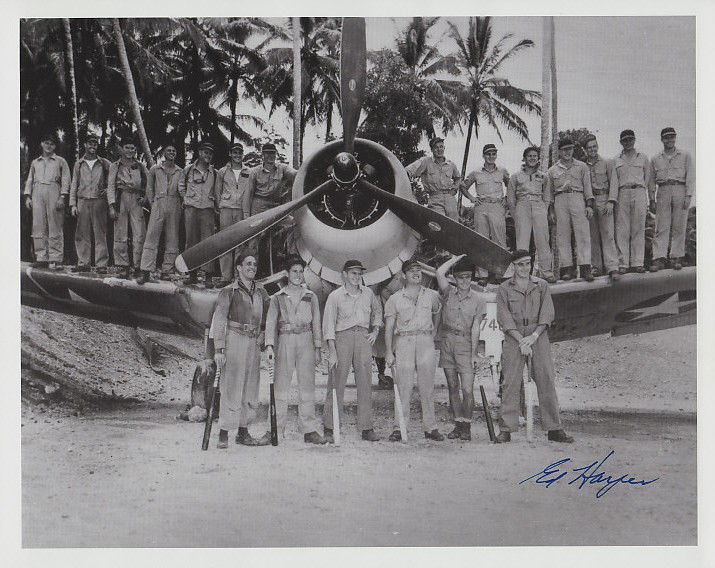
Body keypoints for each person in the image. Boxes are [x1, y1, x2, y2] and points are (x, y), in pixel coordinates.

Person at [494, 250, 573, 444]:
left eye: (527, 264)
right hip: (514, 336)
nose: (524, 268)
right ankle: (506, 428)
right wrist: (521, 339)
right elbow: (504, 317)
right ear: (513, 266)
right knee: (510, 382)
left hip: (538, 336)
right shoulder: (504, 288)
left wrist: (534, 336)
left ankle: (554, 428)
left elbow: (547, 313)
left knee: (546, 378)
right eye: (520, 264)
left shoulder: (541, 285)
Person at [264, 255, 325, 444]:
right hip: (286, 339)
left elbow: (316, 322)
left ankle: (309, 429)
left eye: (300, 271)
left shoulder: (311, 296)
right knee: (281, 386)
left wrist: (317, 347)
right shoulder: (278, 297)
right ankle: (274, 428)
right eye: (294, 271)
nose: (298, 275)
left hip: (306, 339)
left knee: (307, 386)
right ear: (287, 274)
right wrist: (269, 346)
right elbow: (270, 322)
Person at [212, 254, 270, 449]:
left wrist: (264, 335)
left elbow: (269, 317)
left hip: (253, 342)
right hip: (234, 339)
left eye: (254, 264)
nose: (252, 267)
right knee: (231, 386)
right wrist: (219, 349)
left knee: (250, 387)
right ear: (238, 268)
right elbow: (219, 320)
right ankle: (224, 432)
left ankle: (243, 432)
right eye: (248, 264)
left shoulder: (261, 292)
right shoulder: (229, 291)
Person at [322, 259, 383, 443]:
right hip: (343, 338)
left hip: (363, 337)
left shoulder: (368, 293)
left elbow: (377, 311)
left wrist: (375, 330)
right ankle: (330, 426)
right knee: (336, 381)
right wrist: (332, 350)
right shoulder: (335, 296)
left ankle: (366, 428)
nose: (356, 277)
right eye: (353, 273)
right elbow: (329, 325)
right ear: (344, 274)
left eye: (359, 274)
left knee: (365, 382)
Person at [384, 257, 444, 442]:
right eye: (411, 271)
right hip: (405, 340)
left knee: (427, 387)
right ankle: (399, 427)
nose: (416, 273)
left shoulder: (432, 295)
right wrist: (388, 351)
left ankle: (431, 427)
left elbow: (437, 314)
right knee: (404, 387)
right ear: (403, 275)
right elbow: (389, 327)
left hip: (425, 339)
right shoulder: (394, 299)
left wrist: (432, 335)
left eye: (418, 270)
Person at [435, 254, 486, 441]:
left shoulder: (478, 300)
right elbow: (439, 272)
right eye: (461, 277)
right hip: (447, 342)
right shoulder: (448, 293)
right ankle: (458, 425)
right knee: (452, 386)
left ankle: (467, 426)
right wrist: (456, 259)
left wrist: (474, 353)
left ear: (471, 278)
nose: (465, 281)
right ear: (454, 279)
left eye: (468, 277)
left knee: (467, 389)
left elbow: (475, 327)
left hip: (465, 343)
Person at [460, 144, 510, 286]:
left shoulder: (502, 171)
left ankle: (500, 274)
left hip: (497, 206)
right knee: (481, 240)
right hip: (481, 207)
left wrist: (506, 200)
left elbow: (510, 185)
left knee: (499, 240)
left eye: (493, 153)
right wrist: (471, 198)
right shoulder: (476, 172)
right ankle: (482, 275)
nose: (491, 156)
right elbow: (463, 186)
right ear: (483, 155)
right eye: (488, 154)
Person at [546, 138, 595, 282]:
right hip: (560, 200)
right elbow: (549, 193)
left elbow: (587, 188)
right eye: (564, 150)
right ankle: (566, 269)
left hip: (578, 198)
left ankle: (585, 268)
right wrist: (551, 211)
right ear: (560, 152)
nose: (567, 152)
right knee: (563, 235)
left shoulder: (582, 166)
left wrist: (589, 205)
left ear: (573, 150)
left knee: (583, 234)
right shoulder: (552, 170)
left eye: (570, 149)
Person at [506, 146, 556, 283]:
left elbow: (547, 196)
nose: (532, 158)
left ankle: (546, 272)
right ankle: (522, 275)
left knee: (543, 240)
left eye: (535, 156)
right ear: (524, 158)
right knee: (522, 242)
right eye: (529, 156)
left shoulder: (543, 176)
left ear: (538, 158)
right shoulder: (516, 176)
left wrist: (543, 210)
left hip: (539, 205)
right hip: (522, 206)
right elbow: (510, 199)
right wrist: (516, 215)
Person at [648, 127, 694, 272]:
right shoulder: (655, 158)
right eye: (666, 137)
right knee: (661, 226)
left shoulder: (685, 155)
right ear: (662, 139)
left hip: (680, 188)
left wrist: (688, 196)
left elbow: (691, 177)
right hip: (663, 190)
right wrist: (652, 199)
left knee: (679, 225)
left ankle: (676, 257)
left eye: (672, 137)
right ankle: (659, 258)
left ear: (675, 138)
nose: (669, 140)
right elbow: (651, 181)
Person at [23, 132, 71, 269]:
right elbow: (30, 179)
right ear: (41, 144)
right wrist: (28, 196)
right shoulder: (35, 162)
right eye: (46, 143)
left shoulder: (60, 161)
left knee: (55, 224)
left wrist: (62, 196)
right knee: (38, 224)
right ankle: (41, 257)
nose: (49, 146)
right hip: (37, 192)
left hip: (54, 190)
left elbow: (66, 179)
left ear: (55, 146)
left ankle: (55, 258)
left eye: (52, 143)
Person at [136, 144, 183, 283]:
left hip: (174, 204)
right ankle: (145, 271)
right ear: (164, 153)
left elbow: (182, 189)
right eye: (169, 150)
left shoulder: (180, 171)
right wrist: (153, 203)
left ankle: (167, 270)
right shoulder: (155, 169)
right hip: (158, 202)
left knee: (172, 238)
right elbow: (149, 188)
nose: (171, 152)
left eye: (174, 150)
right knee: (151, 236)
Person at [610, 129, 651, 274]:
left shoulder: (643, 158)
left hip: (639, 191)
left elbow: (648, 179)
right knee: (622, 229)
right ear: (621, 142)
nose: (628, 142)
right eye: (625, 140)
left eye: (630, 139)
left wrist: (648, 196)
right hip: (622, 193)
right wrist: (612, 200)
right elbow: (614, 182)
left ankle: (637, 262)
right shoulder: (616, 160)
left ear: (634, 140)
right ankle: (623, 264)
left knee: (638, 228)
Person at [68, 134, 111, 273]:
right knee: (82, 233)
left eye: (95, 143)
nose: (93, 146)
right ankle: (83, 263)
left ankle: (101, 264)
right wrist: (73, 204)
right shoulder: (78, 164)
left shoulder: (104, 163)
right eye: (90, 143)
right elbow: (74, 184)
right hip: (83, 200)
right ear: (85, 145)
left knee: (100, 233)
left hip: (99, 202)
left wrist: (108, 190)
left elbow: (113, 180)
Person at [107, 138, 149, 279]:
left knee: (139, 234)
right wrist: (112, 206)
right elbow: (111, 186)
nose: (130, 150)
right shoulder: (115, 166)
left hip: (136, 200)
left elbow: (149, 183)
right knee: (120, 234)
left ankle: (138, 266)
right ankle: (123, 266)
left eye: (132, 148)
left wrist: (145, 198)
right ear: (122, 148)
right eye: (127, 147)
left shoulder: (140, 166)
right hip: (121, 198)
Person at [179, 141, 217, 285]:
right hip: (191, 209)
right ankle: (192, 274)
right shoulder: (188, 169)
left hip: (207, 209)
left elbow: (217, 189)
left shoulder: (214, 172)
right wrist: (186, 198)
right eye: (205, 152)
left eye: (210, 153)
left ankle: (208, 276)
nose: (208, 156)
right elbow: (181, 186)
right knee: (191, 242)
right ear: (200, 153)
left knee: (208, 243)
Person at [583, 135, 621, 281]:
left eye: (594, 146)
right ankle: (596, 267)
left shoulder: (607, 162)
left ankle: (612, 267)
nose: (592, 150)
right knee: (592, 236)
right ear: (585, 150)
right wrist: (587, 205)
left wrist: (611, 201)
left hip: (604, 199)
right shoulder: (583, 166)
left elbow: (614, 183)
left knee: (608, 234)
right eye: (589, 148)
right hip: (590, 202)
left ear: (597, 147)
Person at [214, 143, 251, 286]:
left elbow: (250, 190)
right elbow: (217, 191)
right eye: (234, 152)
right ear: (230, 154)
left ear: (243, 154)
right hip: (226, 208)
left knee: (240, 243)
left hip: (241, 209)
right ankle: (225, 277)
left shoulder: (248, 171)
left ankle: (238, 276)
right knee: (225, 241)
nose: (237, 155)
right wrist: (220, 205)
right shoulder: (222, 171)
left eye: (239, 153)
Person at [404, 137, 464, 220]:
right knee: (438, 223)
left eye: (441, 147)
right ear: (432, 150)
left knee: (453, 226)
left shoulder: (451, 164)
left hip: (450, 198)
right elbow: (407, 171)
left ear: (444, 148)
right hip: (435, 198)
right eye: (436, 147)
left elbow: (458, 178)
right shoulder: (425, 161)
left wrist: (454, 189)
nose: (439, 149)